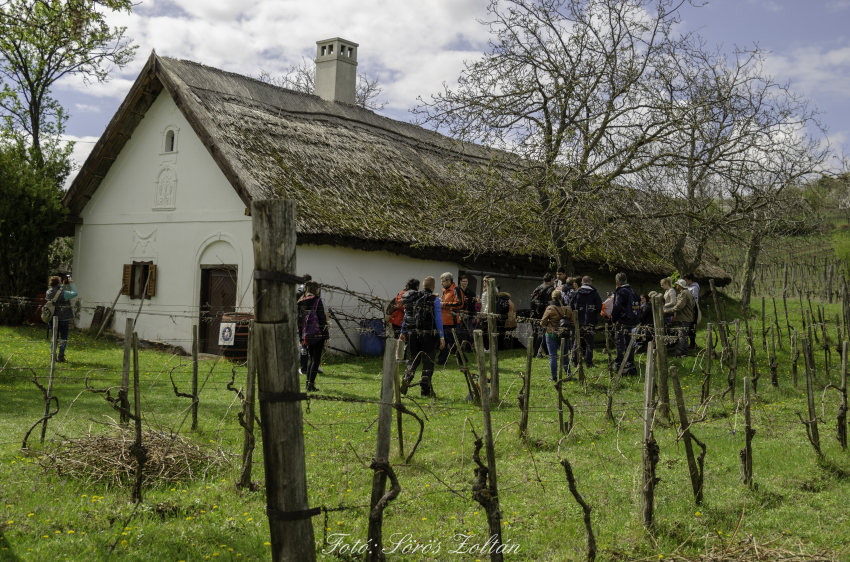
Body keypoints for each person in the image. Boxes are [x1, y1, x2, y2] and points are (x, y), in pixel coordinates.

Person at [399, 277, 445, 397]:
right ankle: (425, 391)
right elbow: (439, 319)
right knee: (428, 362)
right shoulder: (435, 300)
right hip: (429, 335)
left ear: (423, 286)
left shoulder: (414, 298)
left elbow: (407, 315)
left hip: (413, 334)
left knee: (413, 359)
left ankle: (406, 378)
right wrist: (442, 337)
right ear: (433, 286)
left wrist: (403, 331)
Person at [297, 281, 329, 391]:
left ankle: (308, 384)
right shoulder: (317, 301)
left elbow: (299, 321)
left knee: (311, 359)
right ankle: (311, 385)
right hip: (317, 333)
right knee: (316, 359)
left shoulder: (301, 302)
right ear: (316, 289)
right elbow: (322, 319)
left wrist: (301, 337)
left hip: (307, 334)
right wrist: (326, 336)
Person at [610, 272, 640, 375]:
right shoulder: (633, 292)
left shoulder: (621, 291)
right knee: (629, 342)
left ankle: (618, 363)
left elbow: (617, 306)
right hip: (631, 320)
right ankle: (630, 362)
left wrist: (613, 319)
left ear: (617, 282)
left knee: (619, 341)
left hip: (622, 320)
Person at [45, 275, 77, 363]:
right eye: (60, 280)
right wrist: (71, 284)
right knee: (63, 338)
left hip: (52, 318)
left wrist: (63, 286)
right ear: (59, 282)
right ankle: (61, 356)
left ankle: (52, 356)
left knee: (54, 338)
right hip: (63, 319)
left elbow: (57, 293)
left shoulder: (48, 292)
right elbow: (75, 293)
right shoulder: (64, 293)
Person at [540, 290, 571, 381]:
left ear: (552, 298)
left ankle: (554, 377)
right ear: (561, 297)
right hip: (564, 335)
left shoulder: (550, 308)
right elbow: (573, 323)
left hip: (551, 334)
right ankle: (568, 374)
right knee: (565, 355)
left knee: (553, 355)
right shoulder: (567, 308)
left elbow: (542, 323)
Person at [572, 276, 602, 368]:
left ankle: (575, 361)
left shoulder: (576, 293)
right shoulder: (594, 293)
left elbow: (572, 306)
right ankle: (588, 362)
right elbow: (599, 307)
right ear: (590, 282)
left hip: (579, 321)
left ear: (582, 282)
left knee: (577, 341)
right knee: (589, 342)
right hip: (590, 320)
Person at [296, 274, 323, 376]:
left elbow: (298, 314)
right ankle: (313, 366)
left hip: (303, 325)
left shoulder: (299, 295)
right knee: (314, 351)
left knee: (303, 345)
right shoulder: (317, 297)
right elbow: (322, 309)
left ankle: (303, 368)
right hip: (315, 325)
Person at [437, 272, 466, 365]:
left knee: (454, 342)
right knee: (443, 342)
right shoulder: (445, 290)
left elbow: (460, 304)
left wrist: (443, 304)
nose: (441, 283)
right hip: (444, 321)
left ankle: (462, 359)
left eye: (443, 281)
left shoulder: (456, 289)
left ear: (449, 281)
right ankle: (442, 360)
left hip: (452, 321)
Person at [664, 279, 696, 357]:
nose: (676, 286)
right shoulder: (686, 292)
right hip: (686, 317)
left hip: (684, 317)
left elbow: (679, 306)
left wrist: (668, 311)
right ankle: (685, 352)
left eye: (677, 285)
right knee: (684, 335)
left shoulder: (684, 293)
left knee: (681, 335)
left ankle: (678, 352)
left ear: (680, 286)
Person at [386, 280, 414, 361]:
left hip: (398, 320)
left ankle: (399, 358)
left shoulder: (404, 292)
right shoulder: (404, 294)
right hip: (398, 321)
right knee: (401, 340)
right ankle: (399, 358)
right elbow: (401, 306)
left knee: (401, 340)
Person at [530, 273, 556, 357]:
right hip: (543, 314)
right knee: (542, 334)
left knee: (542, 333)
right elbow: (550, 304)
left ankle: (546, 352)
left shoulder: (538, 288)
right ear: (551, 280)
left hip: (534, 313)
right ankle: (536, 353)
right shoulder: (550, 289)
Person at [458, 274, 477, 352]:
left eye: (466, 281)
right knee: (458, 332)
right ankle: (459, 349)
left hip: (468, 315)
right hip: (459, 315)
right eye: (463, 281)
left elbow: (473, 305)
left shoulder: (471, 292)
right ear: (460, 282)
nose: (465, 283)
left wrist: (473, 316)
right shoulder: (457, 291)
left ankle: (468, 349)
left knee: (470, 332)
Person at [683, 273, 700, 349]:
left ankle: (693, 344)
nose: (685, 281)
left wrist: (690, 308)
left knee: (691, 327)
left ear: (690, 280)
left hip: (692, 309)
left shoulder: (694, 288)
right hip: (687, 309)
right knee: (688, 326)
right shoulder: (688, 287)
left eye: (686, 280)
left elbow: (694, 299)